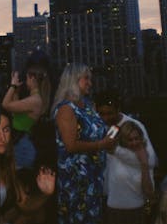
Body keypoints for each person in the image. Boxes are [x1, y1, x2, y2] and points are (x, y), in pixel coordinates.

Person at [52, 63, 117, 224]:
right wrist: (101, 144)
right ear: (73, 80)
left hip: (93, 178)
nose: (90, 83)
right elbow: (71, 145)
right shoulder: (66, 109)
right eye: (86, 78)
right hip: (76, 181)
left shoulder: (87, 105)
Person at [0, 108, 55, 223]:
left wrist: (45, 194)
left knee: (37, 214)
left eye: (6, 130)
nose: (2, 138)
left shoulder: (6, 165)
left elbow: (25, 205)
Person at [105, 121, 155, 224]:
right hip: (115, 211)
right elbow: (109, 136)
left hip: (136, 212)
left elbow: (149, 192)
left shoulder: (147, 158)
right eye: (130, 140)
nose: (134, 142)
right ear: (123, 141)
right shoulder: (115, 153)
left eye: (137, 138)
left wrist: (144, 164)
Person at [2, 65, 51, 169]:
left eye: (27, 78)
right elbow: (15, 112)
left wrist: (13, 86)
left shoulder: (35, 100)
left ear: (32, 79)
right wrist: (16, 91)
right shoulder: (34, 99)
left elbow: (5, 105)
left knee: (17, 182)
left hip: (22, 145)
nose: (25, 81)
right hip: (19, 142)